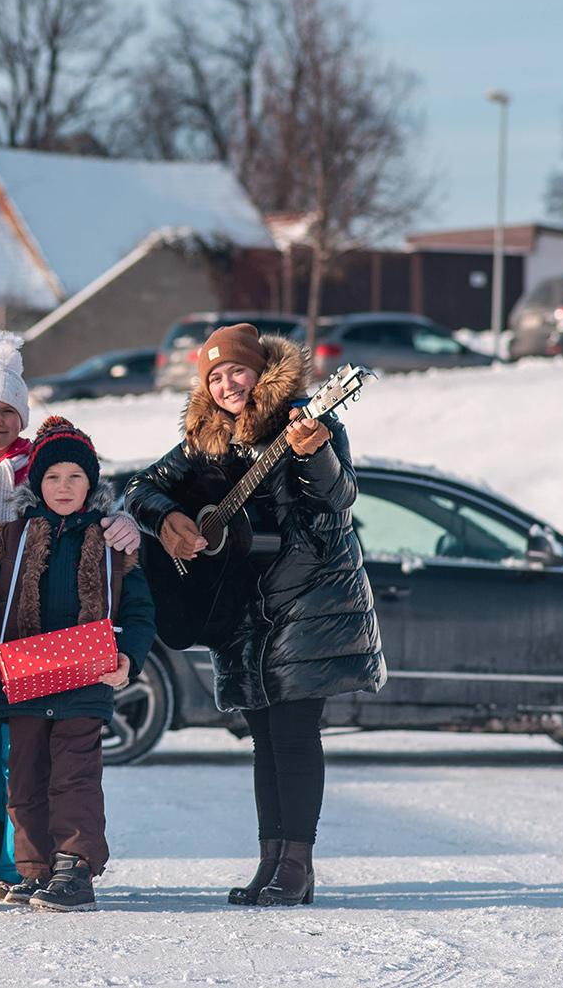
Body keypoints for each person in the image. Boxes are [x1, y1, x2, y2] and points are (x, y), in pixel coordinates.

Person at [124, 323, 385, 907]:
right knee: (263, 737)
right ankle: (272, 860)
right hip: (241, 604)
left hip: (308, 600)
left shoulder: (307, 420)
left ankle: (297, 863)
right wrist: (169, 519)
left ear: (261, 370)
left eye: (237, 371)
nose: (227, 385)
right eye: (215, 377)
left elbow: (339, 498)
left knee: (293, 732)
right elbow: (138, 488)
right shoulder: (206, 438)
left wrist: (313, 454)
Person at [0, 333, 140, 903]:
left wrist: (125, 526)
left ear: (23, 416)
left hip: (36, 648)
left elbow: (90, 507)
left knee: (24, 757)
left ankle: (21, 868)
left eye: (7, 411)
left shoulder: (40, 467)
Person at [0, 417, 156, 912]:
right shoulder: (10, 538)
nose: (63, 487)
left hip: (86, 678)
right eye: (52, 477)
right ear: (37, 484)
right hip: (24, 676)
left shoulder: (112, 542)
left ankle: (74, 868)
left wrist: (129, 658)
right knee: (24, 777)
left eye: (74, 477)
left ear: (91, 484)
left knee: (74, 776)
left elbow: (139, 611)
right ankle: (34, 869)